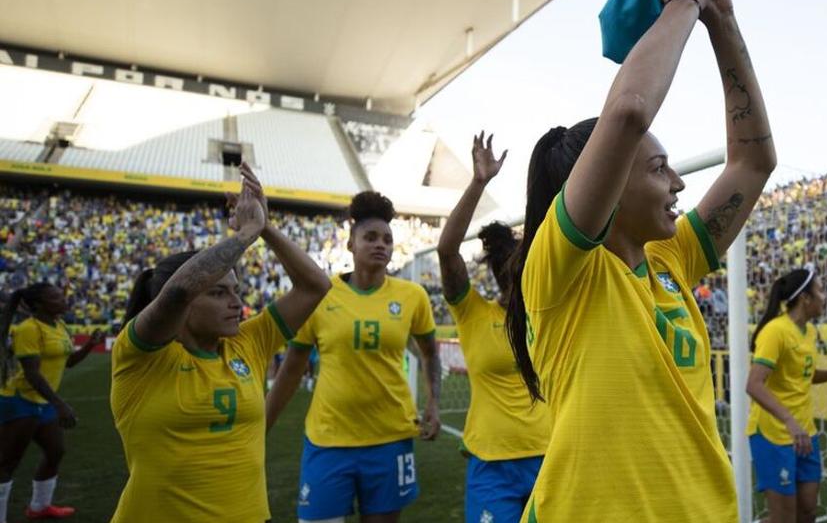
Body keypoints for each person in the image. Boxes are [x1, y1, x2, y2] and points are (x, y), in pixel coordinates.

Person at [504, 0, 771, 519]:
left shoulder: (670, 258)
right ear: (607, 184)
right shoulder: (561, 272)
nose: (679, 182)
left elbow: (753, 162)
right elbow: (626, 111)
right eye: (658, 168)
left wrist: (721, 23)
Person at [110, 163, 330, 522]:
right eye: (217, 293)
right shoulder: (140, 355)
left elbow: (315, 286)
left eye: (237, 291)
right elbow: (179, 291)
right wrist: (245, 234)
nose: (236, 302)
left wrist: (266, 227)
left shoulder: (248, 343)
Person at [266, 190, 441, 523]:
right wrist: (261, 425)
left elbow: (431, 354)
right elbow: (290, 370)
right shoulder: (320, 295)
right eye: (371, 237)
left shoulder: (412, 296)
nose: (381, 245)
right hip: (328, 439)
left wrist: (433, 402)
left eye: (387, 240)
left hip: (391, 438)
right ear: (350, 244)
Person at [436, 133, 549, 523]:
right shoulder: (472, 312)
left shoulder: (547, 313)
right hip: (491, 463)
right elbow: (448, 251)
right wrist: (478, 183)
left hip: (550, 456)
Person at [745, 268, 827, 523]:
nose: (825, 296)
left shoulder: (809, 332)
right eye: (820, 290)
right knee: (783, 518)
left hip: (806, 434)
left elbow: (805, 375)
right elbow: (754, 384)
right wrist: (789, 421)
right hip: (774, 433)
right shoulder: (775, 331)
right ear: (805, 298)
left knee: (807, 512)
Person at [0, 284, 104, 521]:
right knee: (7, 463)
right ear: (39, 305)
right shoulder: (28, 329)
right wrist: (59, 404)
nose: (63, 299)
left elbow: (68, 362)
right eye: (56, 297)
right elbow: (32, 373)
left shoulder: (60, 325)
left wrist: (89, 344)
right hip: (19, 401)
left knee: (55, 451)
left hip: (43, 402)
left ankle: (39, 507)